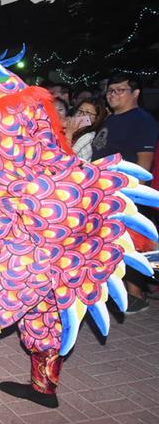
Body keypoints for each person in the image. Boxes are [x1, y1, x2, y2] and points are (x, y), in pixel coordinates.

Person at [91, 76, 159, 313]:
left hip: (125, 193)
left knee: (130, 242)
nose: (113, 94)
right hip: (103, 191)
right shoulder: (111, 120)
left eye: (120, 90)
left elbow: (144, 162)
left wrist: (133, 196)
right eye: (110, 90)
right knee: (112, 242)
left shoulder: (141, 121)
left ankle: (136, 295)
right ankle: (122, 292)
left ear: (136, 93)